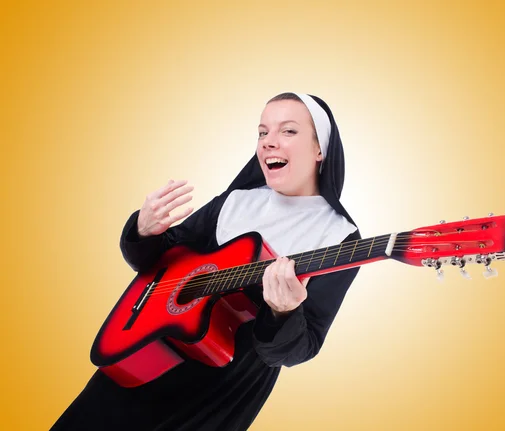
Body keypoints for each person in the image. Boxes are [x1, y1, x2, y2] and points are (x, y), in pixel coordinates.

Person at [51, 92, 362, 431]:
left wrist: (283, 314)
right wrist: (144, 230)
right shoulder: (236, 201)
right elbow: (163, 261)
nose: (269, 143)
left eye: (288, 131)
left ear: (321, 149)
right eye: (262, 132)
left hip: (219, 391)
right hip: (144, 350)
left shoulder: (339, 237)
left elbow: (300, 348)